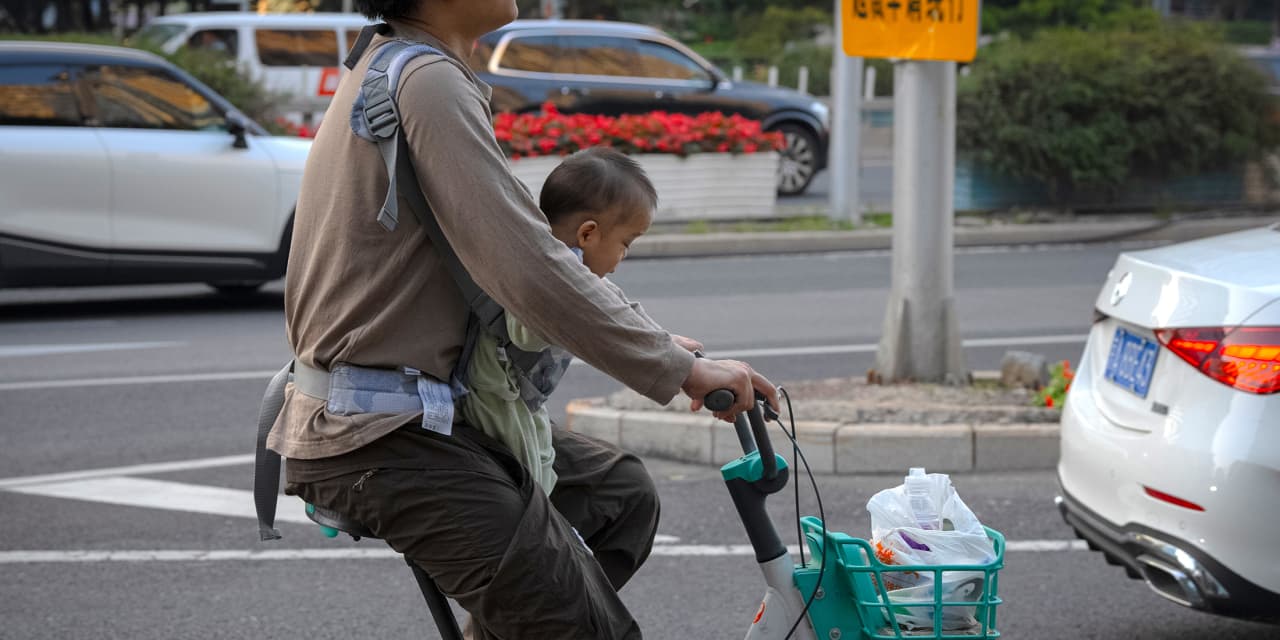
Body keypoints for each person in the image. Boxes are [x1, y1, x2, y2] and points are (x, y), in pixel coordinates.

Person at [266, 1, 777, 638]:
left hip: (426, 414)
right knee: (585, 627)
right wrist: (680, 368)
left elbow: (522, 267)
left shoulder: (398, 64)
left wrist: (660, 345)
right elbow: (529, 264)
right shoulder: (426, 81)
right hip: (381, 433)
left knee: (619, 497)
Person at [461, 146, 699, 496]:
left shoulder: (569, 268)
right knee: (531, 479)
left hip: (519, 396)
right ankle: (542, 528)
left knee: (543, 457)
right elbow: (527, 333)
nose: (623, 257)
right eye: (625, 243)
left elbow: (611, 305)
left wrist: (660, 341)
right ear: (588, 234)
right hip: (495, 399)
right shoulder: (545, 271)